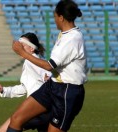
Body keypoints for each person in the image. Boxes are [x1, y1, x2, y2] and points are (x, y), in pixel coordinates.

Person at [7, 0, 86, 131]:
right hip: (52, 86)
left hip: (67, 92)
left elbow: (49, 66)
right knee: (16, 119)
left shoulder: (72, 38)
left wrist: (22, 53)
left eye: (55, 16)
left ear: (61, 17)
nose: (54, 20)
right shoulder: (66, 34)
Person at [0, 33, 51, 132]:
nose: (19, 49)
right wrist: (4, 90)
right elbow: (24, 88)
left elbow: (48, 75)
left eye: (22, 46)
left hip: (38, 108)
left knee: (3, 130)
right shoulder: (32, 61)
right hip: (44, 108)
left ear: (31, 49)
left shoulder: (32, 61)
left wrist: (48, 77)